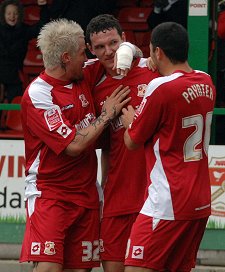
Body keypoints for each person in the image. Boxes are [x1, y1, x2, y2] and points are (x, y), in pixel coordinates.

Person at [19, 18, 131, 272]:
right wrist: (107, 114)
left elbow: (119, 52)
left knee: (80, 269)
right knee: (48, 268)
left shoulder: (83, 73)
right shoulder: (39, 94)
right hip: (51, 195)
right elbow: (74, 146)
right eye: (84, 52)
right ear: (67, 57)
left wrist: (128, 50)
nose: (89, 57)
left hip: (87, 195)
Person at [121, 22, 216, 272]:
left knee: (134, 268)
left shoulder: (160, 87)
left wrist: (130, 122)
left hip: (167, 201)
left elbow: (132, 141)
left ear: (158, 53)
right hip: (200, 201)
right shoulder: (207, 81)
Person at [85, 14, 159, 272]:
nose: (108, 51)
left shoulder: (153, 71)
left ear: (124, 39)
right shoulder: (95, 88)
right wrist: (105, 187)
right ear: (90, 50)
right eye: (100, 47)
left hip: (153, 195)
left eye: (114, 43)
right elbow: (107, 146)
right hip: (117, 196)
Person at [0, 0, 49, 104]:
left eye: (15, 13)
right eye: (9, 13)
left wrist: (43, 7)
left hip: (15, 75)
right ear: (3, 15)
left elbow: (42, 27)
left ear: (20, 15)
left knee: (16, 102)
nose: (12, 16)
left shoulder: (24, 30)